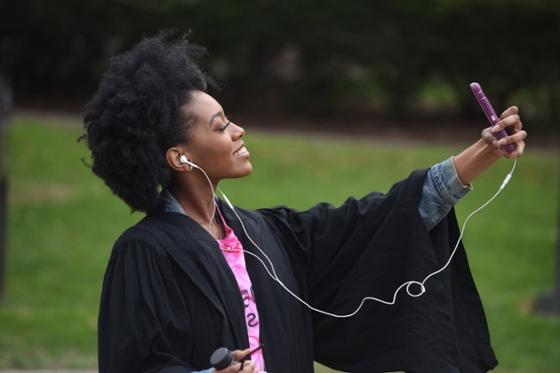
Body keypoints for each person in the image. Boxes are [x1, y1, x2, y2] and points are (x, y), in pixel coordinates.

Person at [82, 33, 526, 373]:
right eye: (220, 127)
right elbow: (134, 362)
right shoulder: (145, 253)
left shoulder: (266, 235)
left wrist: (485, 151)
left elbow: (376, 222)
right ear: (180, 157)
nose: (238, 130)